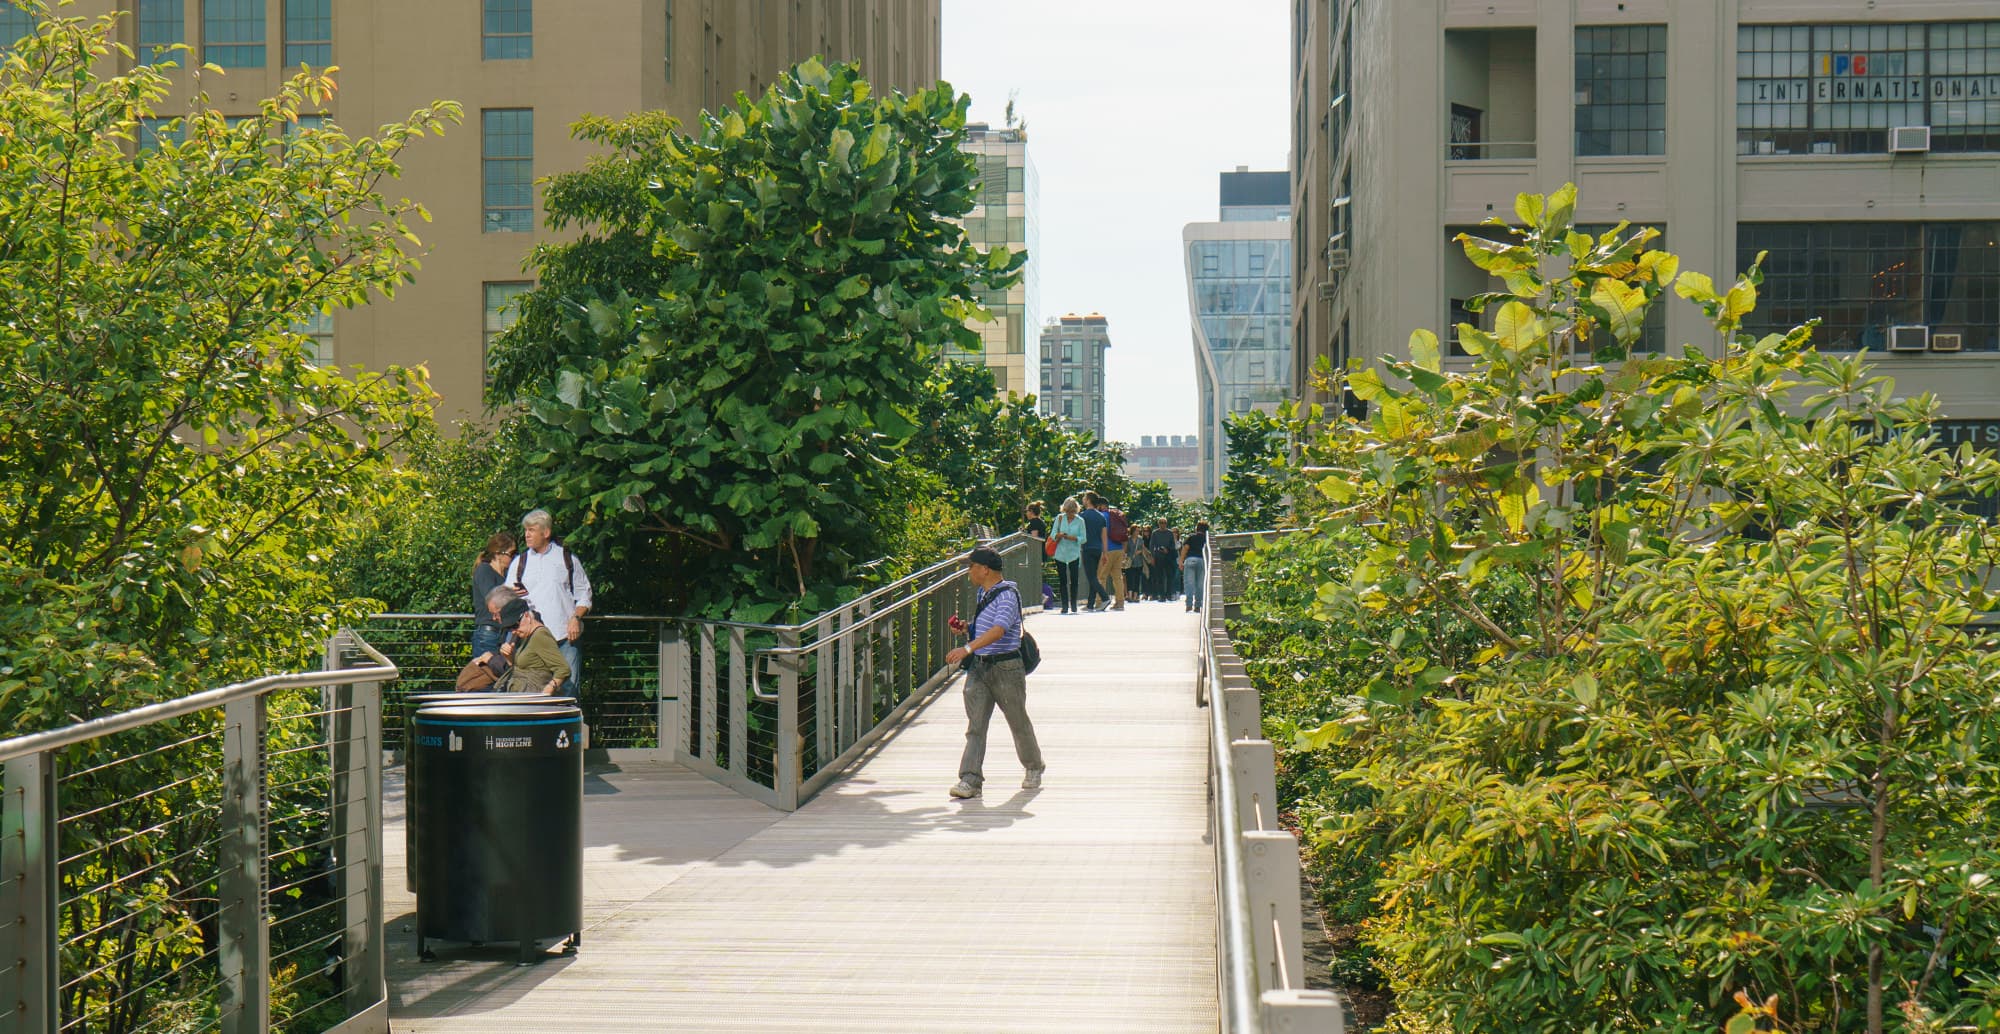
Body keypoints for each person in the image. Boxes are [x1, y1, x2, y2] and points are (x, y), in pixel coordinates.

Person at [944, 547, 1045, 799]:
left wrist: (966, 648)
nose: (968, 571)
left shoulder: (1008, 595)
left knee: (1017, 721)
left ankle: (1033, 767)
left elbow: (999, 630)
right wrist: (968, 628)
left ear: (984, 569)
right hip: (980, 667)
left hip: (1006, 667)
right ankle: (970, 780)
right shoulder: (983, 592)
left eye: (971, 566)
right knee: (976, 725)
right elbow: (987, 628)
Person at [510, 509, 593, 691]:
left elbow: (584, 595)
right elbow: (508, 598)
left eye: (531, 529)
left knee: (569, 689)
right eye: (526, 530)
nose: (527, 534)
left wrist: (576, 618)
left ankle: (571, 720)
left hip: (564, 636)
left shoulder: (567, 559)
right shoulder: (519, 562)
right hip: (532, 639)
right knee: (534, 688)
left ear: (546, 532)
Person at [492, 598, 570, 695]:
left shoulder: (540, 635)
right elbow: (523, 667)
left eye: (515, 626)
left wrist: (548, 690)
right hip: (521, 693)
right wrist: (509, 657)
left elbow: (563, 669)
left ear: (527, 615)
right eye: (509, 628)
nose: (513, 631)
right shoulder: (526, 636)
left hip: (534, 697)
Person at [470, 532, 517, 659]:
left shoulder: (508, 574)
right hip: (488, 634)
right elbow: (493, 599)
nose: (513, 558)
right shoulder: (484, 570)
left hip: (504, 633)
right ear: (498, 553)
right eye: (511, 554)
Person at [1049, 498, 1087, 614]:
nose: (1070, 514)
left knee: (1074, 580)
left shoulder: (1080, 521)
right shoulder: (1060, 518)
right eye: (1068, 511)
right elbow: (1053, 534)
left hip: (1074, 553)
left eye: (1072, 512)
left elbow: (1084, 538)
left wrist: (1074, 538)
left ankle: (1074, 605)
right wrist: (1059, 535)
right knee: (1062, 580)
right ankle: (1064, 606)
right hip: (1060, 553)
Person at [1096, 496, 1128, 611]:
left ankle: (1100, 601)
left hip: (1107, 549)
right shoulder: (1115, 515)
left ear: (1101, 505)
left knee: (1101, 577)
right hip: (1119, 549)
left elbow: (1099, 533)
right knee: (1117, 578)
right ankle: (1120, 603)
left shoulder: (1102, 516)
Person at [1079, 490, 1109, 610]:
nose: (1083, 500)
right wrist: (1105, 553)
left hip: (1087, 548)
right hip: (1098, 549)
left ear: (1088, 500)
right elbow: (1104, 536)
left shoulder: (1082, 516)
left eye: (1085, 498)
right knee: (1094, 576)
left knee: (1091, 577)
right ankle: (1090, 604)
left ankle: (1105, 597)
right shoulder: (1101, 517)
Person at [1181, 520, 1211, 613]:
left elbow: (1185, 548)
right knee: (1200, 584)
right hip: (1202, 561)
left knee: (1189, 583)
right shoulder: (1207, 539)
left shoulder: (1191, 537)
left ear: (1197, 528)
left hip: (1190, 559)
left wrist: (1181, 561)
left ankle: (1189, 604)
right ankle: (1198, 605)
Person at [1147, 519, 1178, 601]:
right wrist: (1152, 557)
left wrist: (1167, 549)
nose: (1162, 524)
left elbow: (1173, 545)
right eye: (1161, 523)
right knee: (1159, 577)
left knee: (1169, 576)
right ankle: (1161, 595)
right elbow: (1151, 545)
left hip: (1168, 557)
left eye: (1164, 523)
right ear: (1158, 524)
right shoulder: (1155, 533)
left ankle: (1169, 594)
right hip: (1158, 556)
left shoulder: (1170, 533)